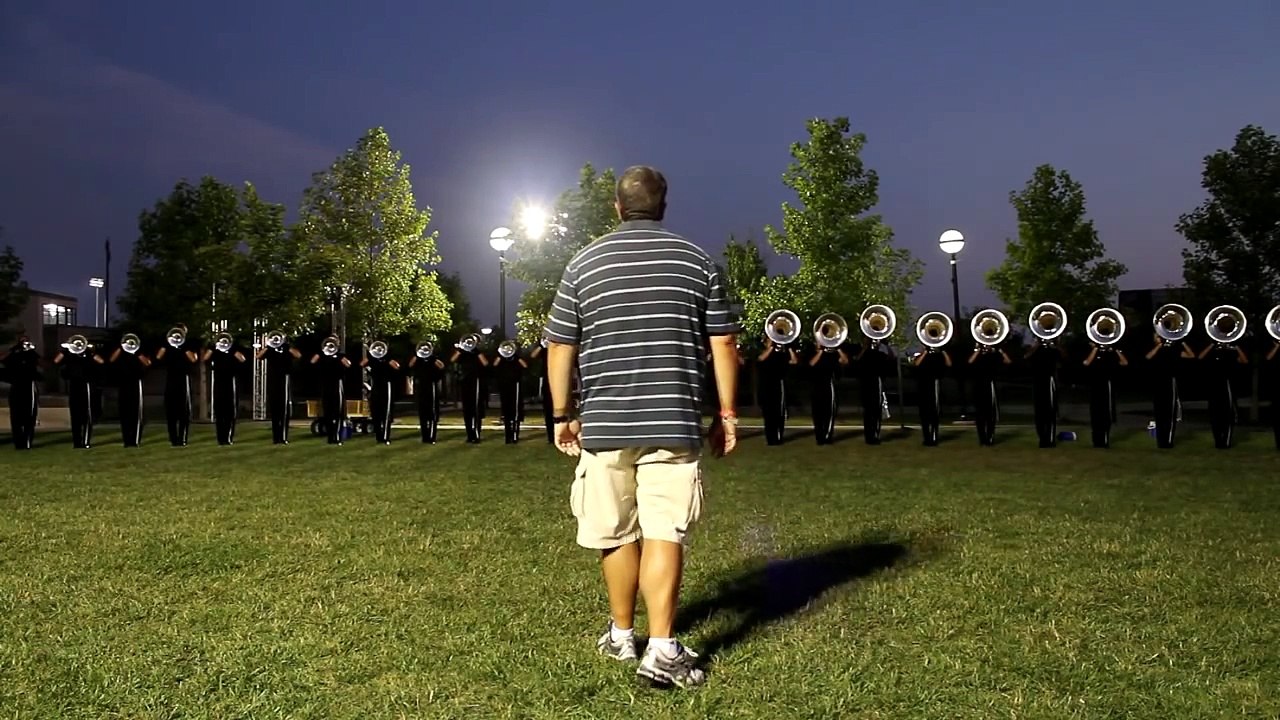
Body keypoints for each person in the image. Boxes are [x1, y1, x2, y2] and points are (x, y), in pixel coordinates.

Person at [543, 165, 739, 689]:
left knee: (616, 533)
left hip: (605, 425)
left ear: (617, 206)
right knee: (663, 531)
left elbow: (561, 345)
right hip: (673, 421)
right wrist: (726, 414)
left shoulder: (583, 264)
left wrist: (563, 414)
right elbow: (722, 343)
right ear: (664, 206)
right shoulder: (697, 262)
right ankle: (662, 647)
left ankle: (623, 634)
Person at [52, 337, 104, 448]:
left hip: (87, 384)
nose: (78, 345)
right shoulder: (69, 355)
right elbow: (56, 361)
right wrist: (65, 350)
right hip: (74, 385)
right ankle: (76, 442)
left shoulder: (88, 354)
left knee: (87, 414)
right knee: (75, 416)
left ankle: (86, 441)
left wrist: (89, 352)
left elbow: (101, 361)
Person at [1145, 333, 1194, 449]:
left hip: (1170, 382)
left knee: (1170, 413)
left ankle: (1168, 441)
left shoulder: (1173, 351)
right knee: (1159, 412)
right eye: (1157, 337)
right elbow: (1148, 357)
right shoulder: (1156, 351)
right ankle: (1161, 441)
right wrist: (1159, 346)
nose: (1158, 338)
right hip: (1158, 383)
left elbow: (1191, 355)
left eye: (1159, 336)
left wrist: (1182, 342)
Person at [1198, 337, 1248, 449]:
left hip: (1228, 386)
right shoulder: (1213, 351)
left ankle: (1226, 442)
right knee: (1214, 415)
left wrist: (1236, 347)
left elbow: (1244, 361)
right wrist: (1212, 344)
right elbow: (1200, 357)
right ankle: (1218, 441)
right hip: (1214, 386)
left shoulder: (1232, 352)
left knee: (1227, 415)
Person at [155, 327, 198, 447]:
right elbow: (158, 357)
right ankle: (173, 439)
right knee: (171, 412)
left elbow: (194, 359)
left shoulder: (189, 344)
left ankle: (183, 438)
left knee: (184, 411)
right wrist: (167, 344)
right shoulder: (167, 344)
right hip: (171, 379)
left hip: (184, 379)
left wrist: (183, 346)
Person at [257, 335, 302, 444]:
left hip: (284, 378)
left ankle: (283, 437)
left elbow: (298, 355)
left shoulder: (287, 348)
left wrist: (286, 346)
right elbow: (258, 356)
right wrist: (268, 346)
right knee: (274, 410)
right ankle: (275, 438)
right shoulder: (270, 349)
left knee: (284, 410)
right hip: (272, 379)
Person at [1082, 341, 1128, 448]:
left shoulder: (1111, 353)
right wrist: (1095, 349)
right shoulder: (1093, 352)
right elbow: (1086, 363)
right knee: (1095, 414)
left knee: (1106, 414)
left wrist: (1115, 349)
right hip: (1095, 386)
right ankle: (1096, 441)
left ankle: (1105, 440)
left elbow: (1124, 362)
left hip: (1108, 386)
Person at [204, 335, 246, 445]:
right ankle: (220, 438)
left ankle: (228, 438)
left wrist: (231, 349)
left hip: (230, 382)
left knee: (230, 412)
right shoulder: (215, 352)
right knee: (219, 412)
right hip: (218, 383)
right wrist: (213, 347)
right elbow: (205, 359)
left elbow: (242, 359)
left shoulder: (233, 350)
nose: (223, 343)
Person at [110, 337, 151, 447]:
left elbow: (147, 363)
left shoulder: (140, 352)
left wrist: (137, 352)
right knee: (124, 414)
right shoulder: (121, 352)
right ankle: (127, 441)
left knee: (136, 413)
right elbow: (112, 360)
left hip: (136, 383)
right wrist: (121, 347)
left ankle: (135, 440)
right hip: (123, 384)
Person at [1, 336, 41, 450]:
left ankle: (28, 443)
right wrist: (14, 349)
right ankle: (18, 444)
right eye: (22, 341)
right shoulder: (13, 355)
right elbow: (2, 359)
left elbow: (44, 364)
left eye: (26, 341)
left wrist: (33, 351)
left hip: (30, 387)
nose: (25, 343)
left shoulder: (32, 355)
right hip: (16, 387)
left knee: (30, 417)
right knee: (15, 418)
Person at [756, 338, 798, 445]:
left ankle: (778, 437)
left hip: (779, 385)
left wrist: (789, 348)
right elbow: (761, 359)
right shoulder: (764, 353)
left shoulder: (781, 354)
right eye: (770, 340)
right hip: (766, 386)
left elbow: (794, 361)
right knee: (768, 414)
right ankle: (770, 438)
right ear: (765, 343)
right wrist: (771, 347)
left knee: (779, 413)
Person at [1025, 338, 1065, 448]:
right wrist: (1037, 345)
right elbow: (1026, 357)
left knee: (1051, 411)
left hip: (1051, 381)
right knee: (1039, 412)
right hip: (1038, 381)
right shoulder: (1036, 349)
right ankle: (1042, 439)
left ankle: (1050, 439)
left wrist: (1057, 344)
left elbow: (1064, 357)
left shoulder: (1053, 349)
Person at [311, 337, 352, 445]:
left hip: (337, 384)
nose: (331, 345)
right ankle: (330, 437)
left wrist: (337, 355)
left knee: (337, 412)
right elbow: (312, 361)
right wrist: (322, 352)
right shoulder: (322, 355)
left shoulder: (340, 355)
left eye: (333, 343)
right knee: (328, 412)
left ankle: (337, 436)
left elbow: (348, 364)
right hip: (326, 385)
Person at [968, 343, 1011, 446]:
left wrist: (1000, 350)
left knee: (990, 414)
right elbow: (970, 361)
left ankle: (990, 438)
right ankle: (982, 439)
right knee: (979, 414)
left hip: (990, 385)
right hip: (978, 386)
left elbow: (1008, 361)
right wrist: (978, 350)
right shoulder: (978, 354)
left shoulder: (994, 354)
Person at [808, 341, 850, 445]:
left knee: (829, 412)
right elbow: (811, 364)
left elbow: (845, 361)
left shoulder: (831, 355)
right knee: (817, 413)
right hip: (816, 386)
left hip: (829, 385)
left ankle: (827, 437)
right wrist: (821, 351)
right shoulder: (811, 354)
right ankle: (819, 438)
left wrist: (838, 347)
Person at [855, 338, 894, 445]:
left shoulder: (882, 352)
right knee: (868, 411)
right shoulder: (865, 352)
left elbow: (890, 358)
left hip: (877, 382)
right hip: (866, 383)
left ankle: (875, 435)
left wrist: (882, 346)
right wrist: (866, 347)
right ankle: (869, 436)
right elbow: (858, 362)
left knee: (876, 410)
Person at [362, 344, 401, 445]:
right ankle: (379, 437)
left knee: (386, 413)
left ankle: (386, 437)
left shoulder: (388, 359)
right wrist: (371, 355)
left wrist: (386, 358)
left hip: (386, 385)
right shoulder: (373, 359)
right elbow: (362, 364)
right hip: (376, 386)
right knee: (375, 413)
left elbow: (397, 366)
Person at [451, 340, 489, 443]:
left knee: (476, 410)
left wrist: (476, 351)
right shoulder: (462, 354)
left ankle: (476, 435)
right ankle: (469, 435)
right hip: (465, 382)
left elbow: (485, 363)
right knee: (467, 411)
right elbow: (452, 359)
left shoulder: (478, 353)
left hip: (476, 382)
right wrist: (460, 349)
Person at [913, 345, 951, 446]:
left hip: (934, 384)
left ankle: (934, 437)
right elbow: (916, 364)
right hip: (923, 386)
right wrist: (925, 353)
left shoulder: (938, 356)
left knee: (934, 413)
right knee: (924, 414)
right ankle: (926, 438)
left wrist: (943, 351)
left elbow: (949, 363)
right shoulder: (922, 355)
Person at [408, 344, 447, 444]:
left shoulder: (434, 359)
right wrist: (417, 355)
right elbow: (410, 365)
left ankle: (432, 436)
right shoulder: (418, 360)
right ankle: (425, 437)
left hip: (432, 386)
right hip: (421, 387)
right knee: (422, 413)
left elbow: (442, 366)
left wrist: (431, 357)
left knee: (433, 413)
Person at [493, 344, 529, 444]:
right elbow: (494, 365)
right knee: (506, 413)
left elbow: (525, 365)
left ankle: (515, 436)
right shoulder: (501, 359)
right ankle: (507, 436)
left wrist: (515, 356)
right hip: (504, 387)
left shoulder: (517, 359)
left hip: (516, 386)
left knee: (516, 412)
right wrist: (501, 355)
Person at [529, 340, 556, 443]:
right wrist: (542, 345)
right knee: (548, 409)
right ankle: (550, 436)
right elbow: (532, 356)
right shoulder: (544, 348)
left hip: (558, 378)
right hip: (547, 379)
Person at [1266, 337, 1280, 449]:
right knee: (1276, 416)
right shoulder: (1271, 343)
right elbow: (1268, 358)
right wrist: (1277, 347)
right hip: (1276, 386)